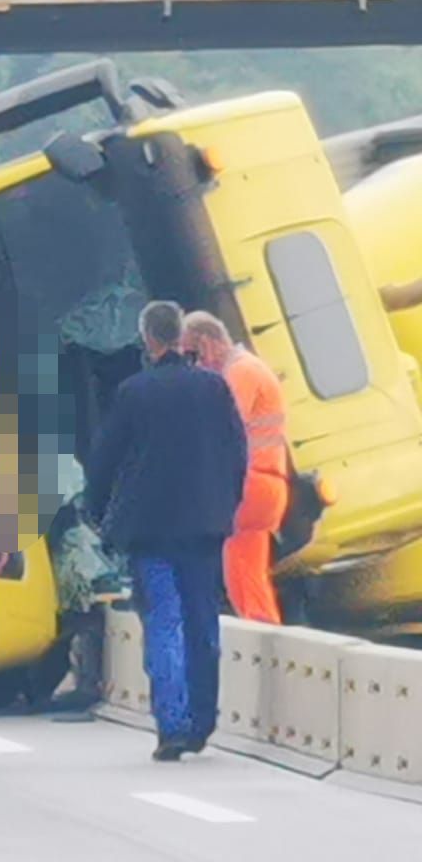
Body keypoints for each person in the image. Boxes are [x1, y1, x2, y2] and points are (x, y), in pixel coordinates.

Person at [85, 300, 247, 762]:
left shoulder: (134, 393)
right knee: (203, 622)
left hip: (150, 531)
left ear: (148, 339)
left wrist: (99, 514)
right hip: (204, 529)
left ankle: (172, 724)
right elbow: (238, 454)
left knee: (163, 622)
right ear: (179, 336)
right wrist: (225, 506)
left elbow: (104, 462)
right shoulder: (214, 389)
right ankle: (202, 720)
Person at [184, 311, 288, 625]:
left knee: (239, 573)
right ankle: (268, 636)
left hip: (250, 484)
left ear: (207, 343)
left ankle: (260, 641)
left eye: (193, 355)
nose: (196, 365)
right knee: (248, 575)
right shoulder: (251, 368)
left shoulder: (240, 372)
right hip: (265, 485)